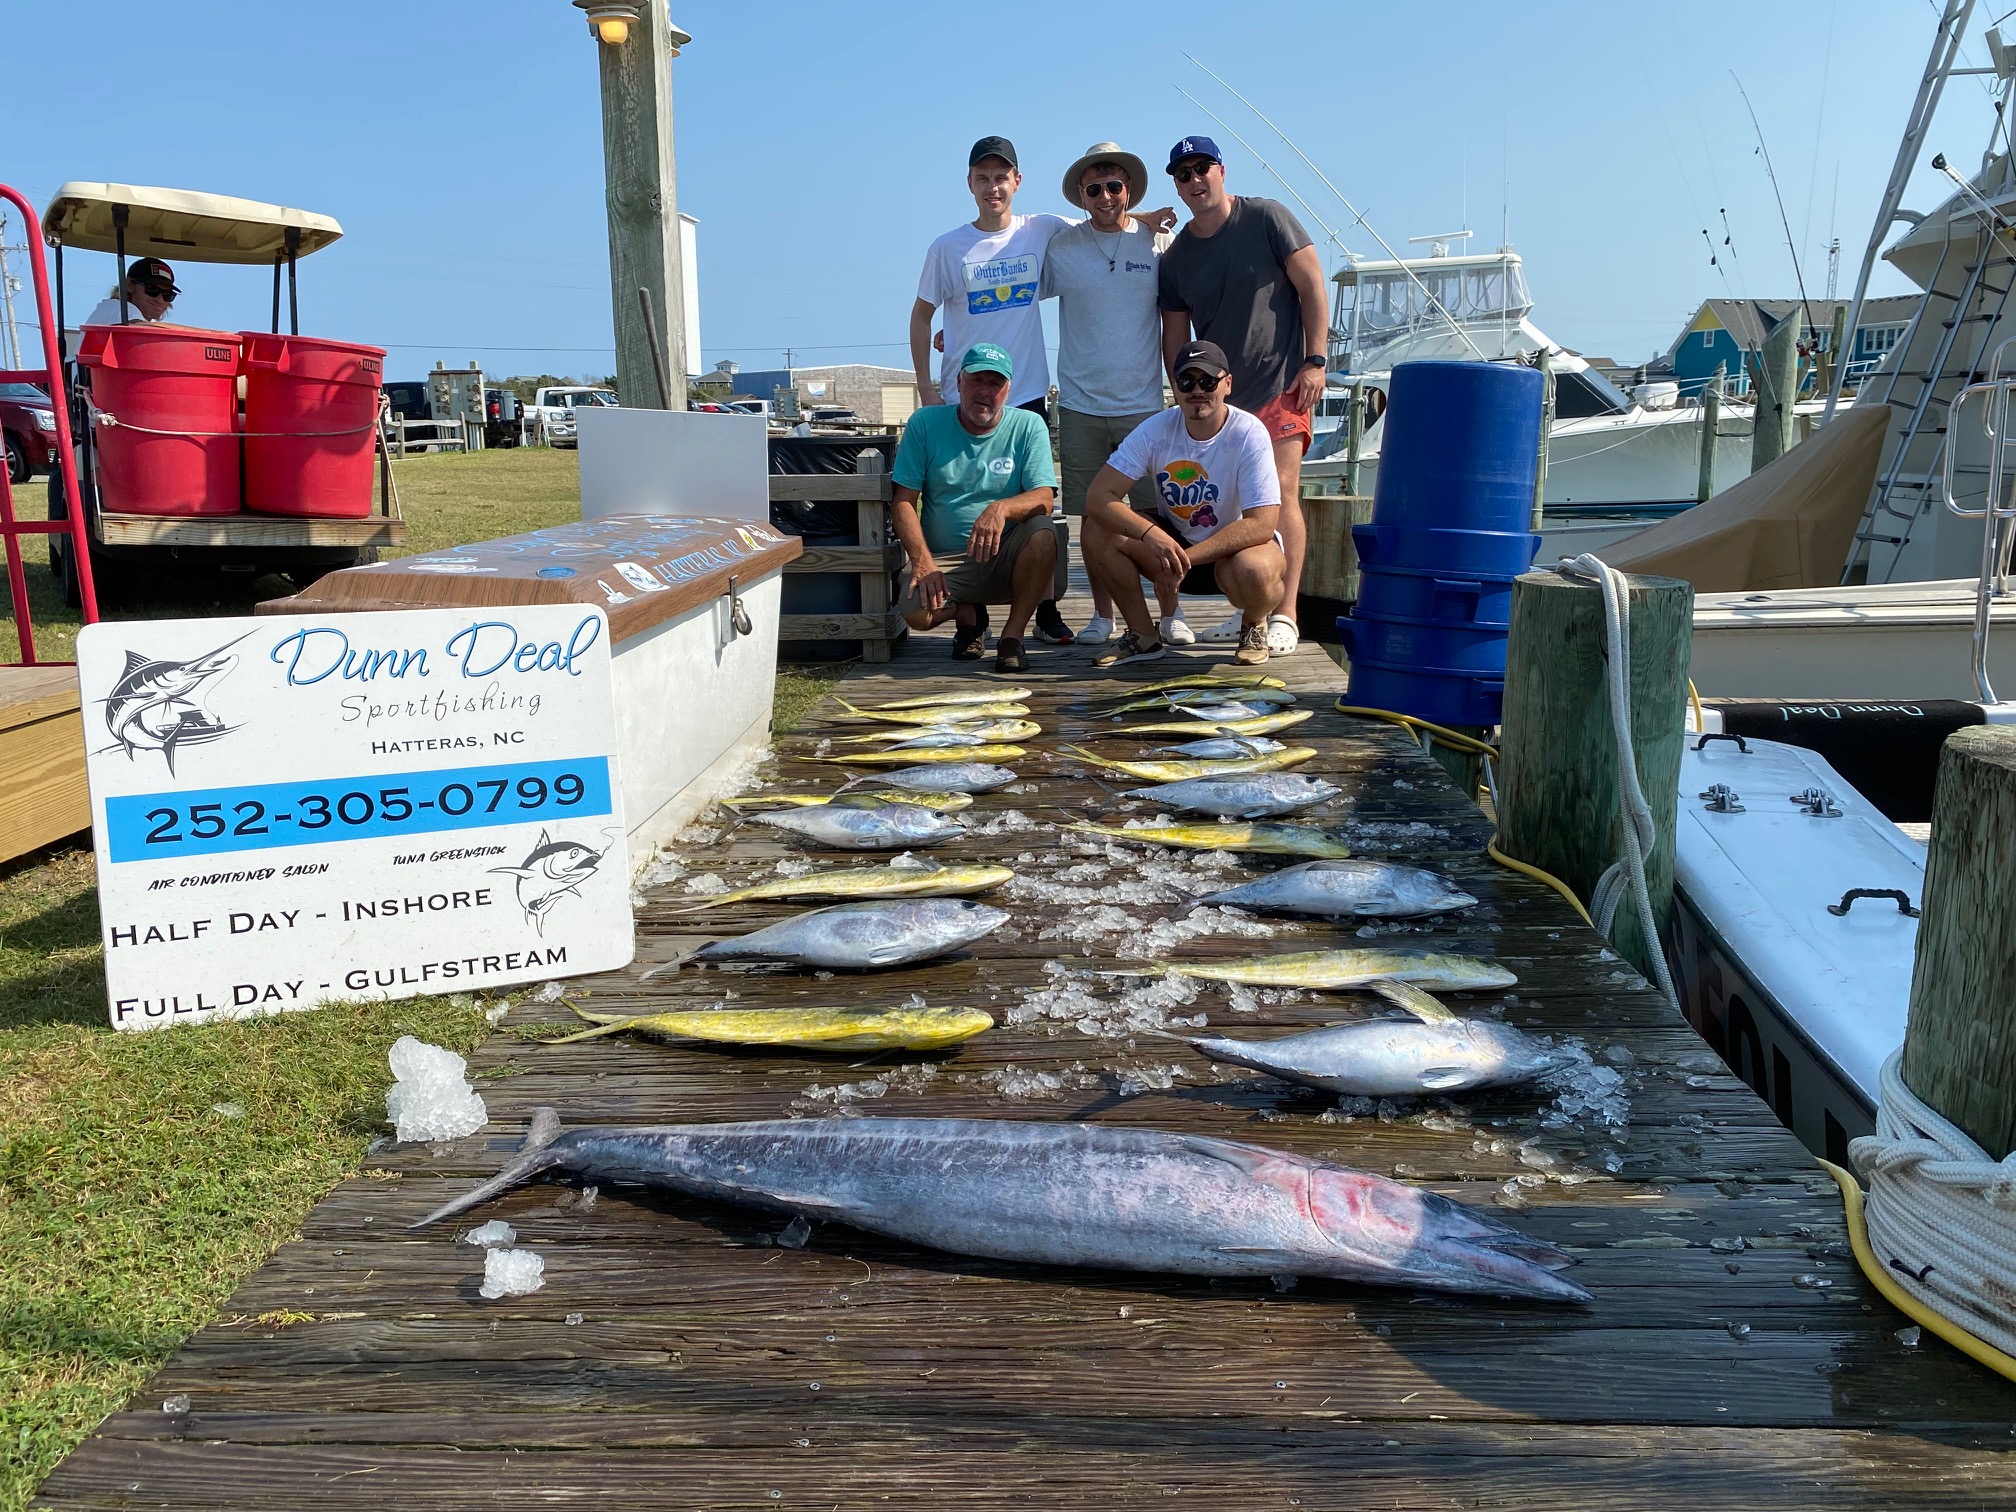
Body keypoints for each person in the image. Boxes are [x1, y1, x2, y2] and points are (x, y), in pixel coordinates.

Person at [1157, 136, 1329, 655]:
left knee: (1280, 492)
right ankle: (1248, 612)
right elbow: (1173, 336)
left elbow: (1313, 286)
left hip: (1281, 386)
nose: (1194, 180)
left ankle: (1286, 612)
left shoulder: (1268, 217)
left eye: (1202, 168)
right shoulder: (1177, 256)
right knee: (1234, 508)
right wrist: (1188, 393)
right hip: (1219, 402)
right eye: (1183, 174)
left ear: (1222, 170)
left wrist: (1316, 360)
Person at [909, 135, 1077, 647]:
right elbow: (922, 315)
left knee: (1035, 506)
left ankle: (1043, 607)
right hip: (965, 392)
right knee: (965, 499)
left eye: (1001, 177)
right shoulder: (948, 246)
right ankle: (972, 616)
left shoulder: (1040, 229)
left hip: (1023, 393)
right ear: (970, 185)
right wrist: (924, 387)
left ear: (1017, 182)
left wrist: (1149, 216)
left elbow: (1101, 225)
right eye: (982, 178)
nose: (992, 187)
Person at [1038, 141, 1191, 649]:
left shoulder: (1156, 243)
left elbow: (1179, 315)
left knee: (1155, 516)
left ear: (1129, 189)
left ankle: (1169, 613)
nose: (1106, 196)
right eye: (1095, 188)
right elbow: (1013, 298)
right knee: (1093, 517)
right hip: (1080, 405)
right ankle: (1102, 616)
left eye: (1115, 186)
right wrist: (960, 330)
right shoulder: (1061, 245)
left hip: (1145, 405)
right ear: (1082, 195)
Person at [1080, 340, 1287, 670]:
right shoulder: (1154, 430)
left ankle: (1253, 623)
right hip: (1172, 547)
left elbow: (1262, 523)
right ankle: (1143, 635)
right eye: (1186, 382)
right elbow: (1098, 497)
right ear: (1174, 387)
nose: (1197, 391)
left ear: (1227, 384)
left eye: (1207, 381)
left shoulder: (1249, 432)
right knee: (1096, 529)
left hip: (1231, 557)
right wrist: (1151, 534)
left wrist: (1183, 560)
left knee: (1258, 569)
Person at [891, 343, 1060, 674]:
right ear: (958, 382)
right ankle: (968, 614)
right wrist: (922, 563)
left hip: (1006, 556)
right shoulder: (925, 422)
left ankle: (1013, 638)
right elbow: (903, 502)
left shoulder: (1028, 425)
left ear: (1009, 390)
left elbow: (1044, 497)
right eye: (976, 380)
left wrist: (1001, 509)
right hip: (947, 561)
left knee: (1044, 531)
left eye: (995, 384)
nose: (985, 392)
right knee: (914, 612)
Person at [81, 257, 179, 328]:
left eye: (167, 295)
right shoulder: (118, 307)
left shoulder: (138, 319)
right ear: (129, 286)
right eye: (152, 289)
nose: (160, 300)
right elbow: (140, 328)